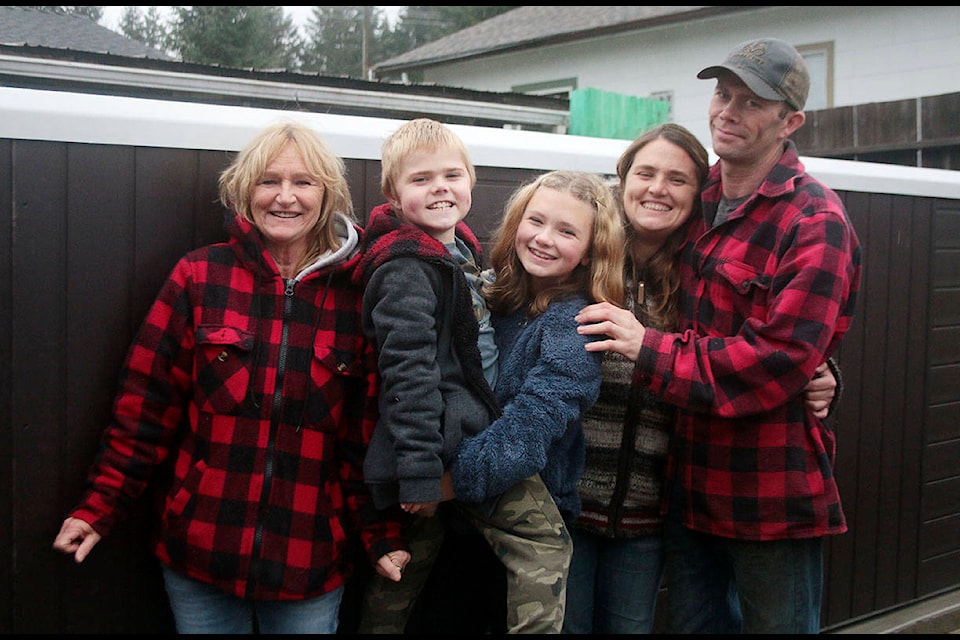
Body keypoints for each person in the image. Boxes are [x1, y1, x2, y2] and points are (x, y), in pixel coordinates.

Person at [51, 120, 408, 634]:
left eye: (303, 182)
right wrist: (99, 507)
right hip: (199, 552)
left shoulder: (357, 296)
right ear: (245, 191)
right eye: (268, 181)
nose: (285, 197)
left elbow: (365, 439)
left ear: (327, 195)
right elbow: (143, 412)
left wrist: (380, 534)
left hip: (309, 561)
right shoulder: (199, 277)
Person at [576, 37, 862, 634]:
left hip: (768, 495)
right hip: (683, 489)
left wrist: (645, 345)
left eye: (753, 102)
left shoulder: (815, 222)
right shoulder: (692, 198)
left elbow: (778, 357)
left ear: (791, 122)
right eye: (722, 94)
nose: (729, 111)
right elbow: (592, 219)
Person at [352, 119, 576, 634]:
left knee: (411, 561)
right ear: (393, 192)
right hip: (449, 438)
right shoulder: (405, 267)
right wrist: (420, 472)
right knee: (545, 542)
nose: (440, 188)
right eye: (421, 179)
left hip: (453, 434)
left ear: (471, 182)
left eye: (452, 174)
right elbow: (406, 375)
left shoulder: (460, 254)